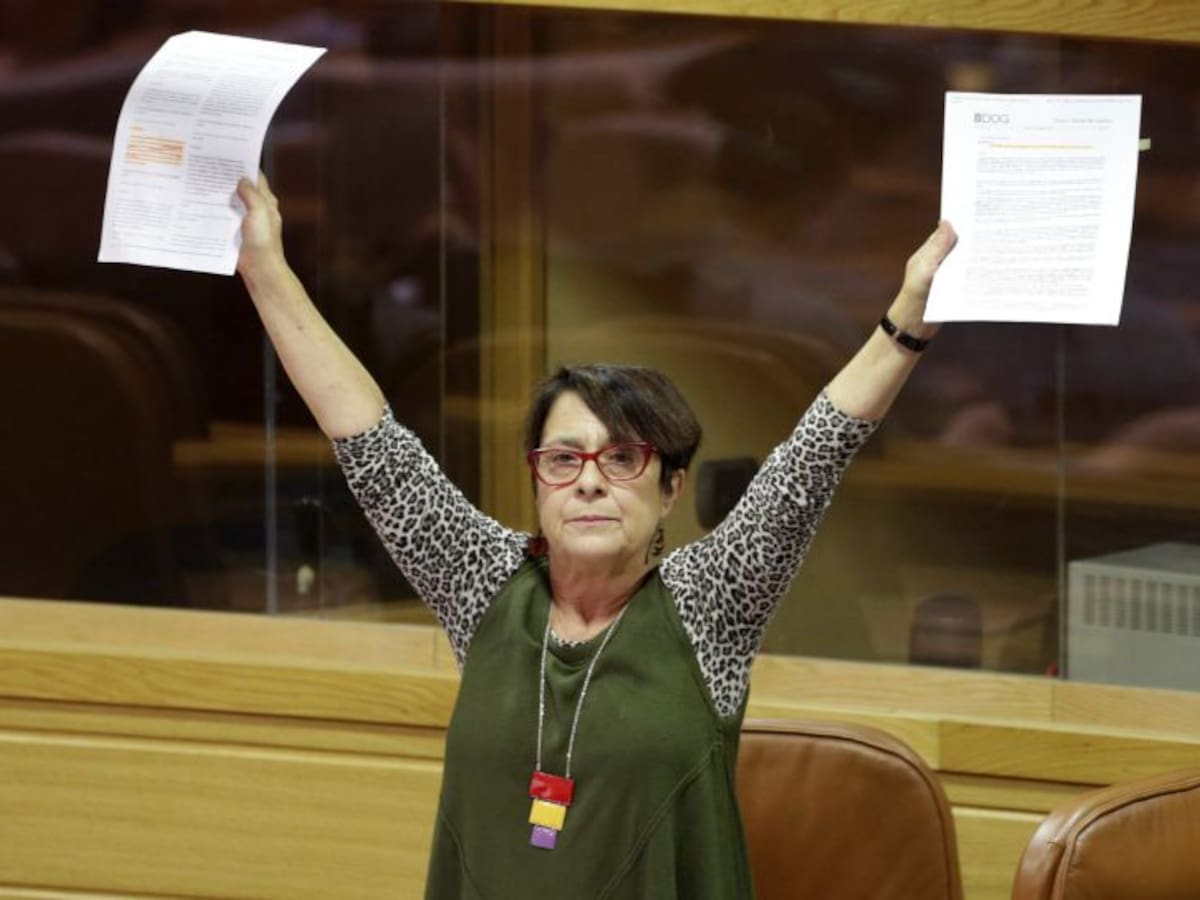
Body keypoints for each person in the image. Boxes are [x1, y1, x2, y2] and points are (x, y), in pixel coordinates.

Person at [235, 171, 956, 899]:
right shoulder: (483, 585)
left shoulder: (709, 603)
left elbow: (814, 456)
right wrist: (266, 271)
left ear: (671, 488)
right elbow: (370, 444)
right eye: (563, 459)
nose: (588, 481)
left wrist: (908, 321)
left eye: (622, 459)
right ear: (538, 482)